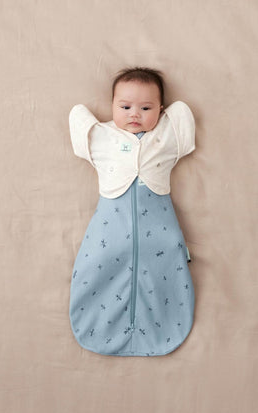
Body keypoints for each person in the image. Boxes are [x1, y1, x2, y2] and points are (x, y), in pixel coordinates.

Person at [68, 67, 196, 356]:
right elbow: (77, 117)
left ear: (161, 110)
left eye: (146, 108)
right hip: (108, 232)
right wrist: (117, 115)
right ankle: (100, 327)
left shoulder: (165, 138)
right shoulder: (103, 136)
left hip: (159, 233)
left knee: (163, 274)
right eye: (124, 107)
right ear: (112, 105)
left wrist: (159, 117)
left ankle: (160, 330)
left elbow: (181, 112)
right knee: (98, 268)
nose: (134, 114)